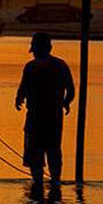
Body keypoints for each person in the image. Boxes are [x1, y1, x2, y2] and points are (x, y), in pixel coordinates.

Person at [15, 32, 75, 184]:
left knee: (35, 152)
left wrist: (18, 100)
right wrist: (66, 102)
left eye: (34, 49)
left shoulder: (32, 66)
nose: (33, 53)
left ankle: (38, 182)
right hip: (54, 116)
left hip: (35, 116)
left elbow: (23, 88)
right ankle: (55, 181)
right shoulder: (61, 65)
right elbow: (71, 90)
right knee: (53, 149)